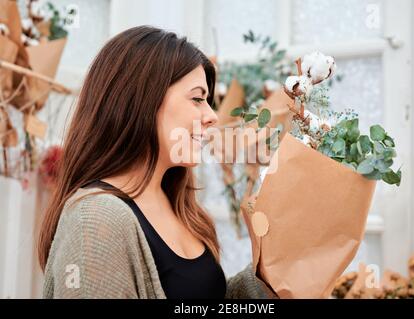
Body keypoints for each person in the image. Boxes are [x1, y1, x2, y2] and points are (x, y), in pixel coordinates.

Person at [39, 25, 271, 299]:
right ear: (141, 100)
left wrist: (266, 277)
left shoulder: (181, 208)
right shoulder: (96, 219)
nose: (212, 116)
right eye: (197, 98)